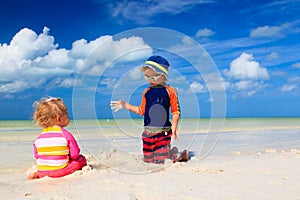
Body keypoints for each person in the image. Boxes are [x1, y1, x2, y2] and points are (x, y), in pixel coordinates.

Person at [110, 55, 188, 164]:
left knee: (160, 161)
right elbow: (141, 110)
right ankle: (170, 152)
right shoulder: (146, 92)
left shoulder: (170, 91)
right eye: (147, 76)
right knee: (148, 160)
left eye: (154, 77)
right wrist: (125, 105)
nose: (150, 80)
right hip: (147, 133)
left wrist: (175, 125)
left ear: (164, 75)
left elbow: (175, 111)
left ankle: (174, 154)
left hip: (163, 132)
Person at [28, 97, 87, 179]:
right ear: (58, 118)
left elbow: (37, 155)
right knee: (81, 159)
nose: (68, 116)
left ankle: (38, 174)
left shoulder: (39, 138)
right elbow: (74, 155)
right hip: (59, 172)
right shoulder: (65, 134)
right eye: (66, 114)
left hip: (42, 172)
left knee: (46, 166)